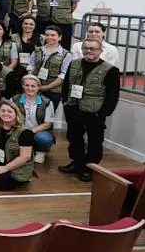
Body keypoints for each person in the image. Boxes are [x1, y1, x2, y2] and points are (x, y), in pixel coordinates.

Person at [60, 39, 121, 182]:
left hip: (95, 112)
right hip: (73, 109)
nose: (89, 51)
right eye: (86, 48)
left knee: (94, 142)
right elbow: (66, 85)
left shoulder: (111, 70)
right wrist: (65, 103)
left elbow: (113, 95)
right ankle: (77, 163)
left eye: (93, 49)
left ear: (100, 51)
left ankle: (90, 168)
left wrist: (102, 113)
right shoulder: (74, 64)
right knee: (74, 138)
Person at [0, 100, 35, 191]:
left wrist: (5, 168)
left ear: (16, 113)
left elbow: (25, 157)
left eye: (9, 111)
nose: (6, 114)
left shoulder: (25, 133)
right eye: (3, 111)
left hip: (14, 166)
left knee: (1, 184)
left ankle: (24, 178)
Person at [27, 24, 72, 111]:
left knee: (50, 116)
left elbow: (63, 76)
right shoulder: (37, 50)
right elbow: (31, 67)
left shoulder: (66, 54)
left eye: (53, 35)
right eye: (47, 35)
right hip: (34, 89)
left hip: (54, 91)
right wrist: (32, 83)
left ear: (60, 37)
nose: (49, 37)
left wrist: (46, 87)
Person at [14, 74, 56, 164]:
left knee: (45, 139)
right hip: (19, 130)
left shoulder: (47, 102)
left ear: (38, 87)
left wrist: (30, 131)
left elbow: (48, 123)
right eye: (27, 85)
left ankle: (40, 151)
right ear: (23, 86)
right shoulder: (14, 100)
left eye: (33, 86)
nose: (30, 88)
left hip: (38, 131)